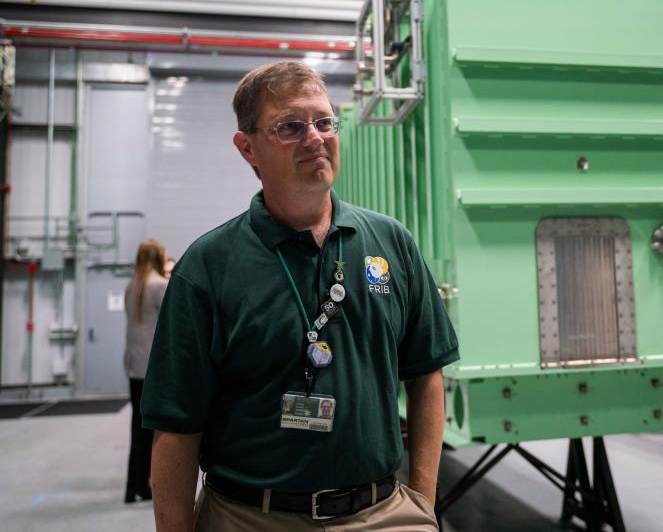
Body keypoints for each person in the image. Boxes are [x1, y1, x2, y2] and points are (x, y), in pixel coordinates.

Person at [141, 61, 459, 531]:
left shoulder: (391, 243)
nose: (315, 137)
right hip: (251, 517)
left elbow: (426, 372)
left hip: (383, 511)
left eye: (324, 121)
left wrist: (423, 501)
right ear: (247, 148)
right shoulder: (208, 266)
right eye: (290, 126)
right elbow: (176, 428)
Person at [123, 239, 169, 504]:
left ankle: (133, 486)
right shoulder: (160, 286)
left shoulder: (133, 286)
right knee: (156, 432)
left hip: (133, 367)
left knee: (136, 429)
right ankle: (150, 485)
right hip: (153, 368)